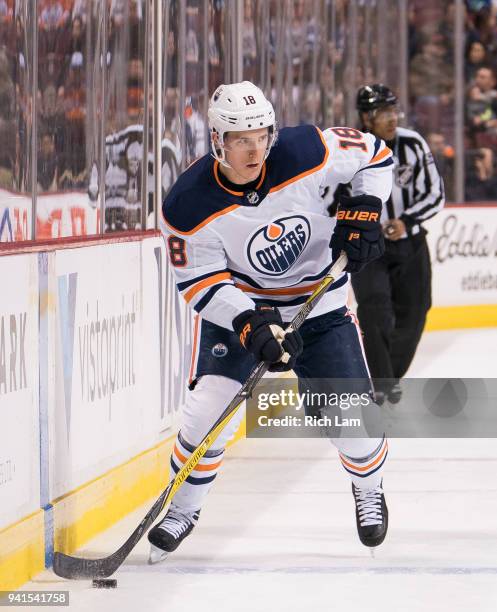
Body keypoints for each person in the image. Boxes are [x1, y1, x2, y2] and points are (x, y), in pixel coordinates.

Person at [149, 81, 393, 563]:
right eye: (241, 139)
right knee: (206, 413)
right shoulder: (187, 205)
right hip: (244, 308)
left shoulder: (307, 150)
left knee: (351, 423)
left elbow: (376, 155)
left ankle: (369, 488)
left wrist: (367, 206)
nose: (255, 147)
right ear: (218, 141)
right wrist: (250, 325)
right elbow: (201, 282)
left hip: (319, 303)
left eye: (261, 134)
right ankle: (183, 508)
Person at [351, 84, 444, 403]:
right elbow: (336, 198)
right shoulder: (352, 150)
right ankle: (381, 383)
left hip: (410, 243)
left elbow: (435, 194)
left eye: (394, 111)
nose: (392, 119)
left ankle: (386, 377)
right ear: (366, 117)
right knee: (375, 309)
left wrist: (406, 220)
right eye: (382, 113)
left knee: (416, 310)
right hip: (369, 247)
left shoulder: (412, 143)